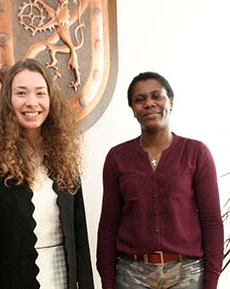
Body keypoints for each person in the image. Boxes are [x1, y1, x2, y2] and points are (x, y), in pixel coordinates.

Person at [0, 58, 94, 289]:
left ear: (51, 101)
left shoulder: (64, 159)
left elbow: (80, 237)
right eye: (21, 93)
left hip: (62, 278)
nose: (32, 102)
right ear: (8, 101)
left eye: (40, 93)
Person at [96, 72, 224, 289]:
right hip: (131, 275)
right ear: (133, 109)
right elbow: (108, 225)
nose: (149, 104)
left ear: (170, 103)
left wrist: (211, 282)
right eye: (140, 99)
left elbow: (211, 222)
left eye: (157, 96)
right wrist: (107, 282)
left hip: (187, 274)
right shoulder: (117, 157)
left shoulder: (196, 153)